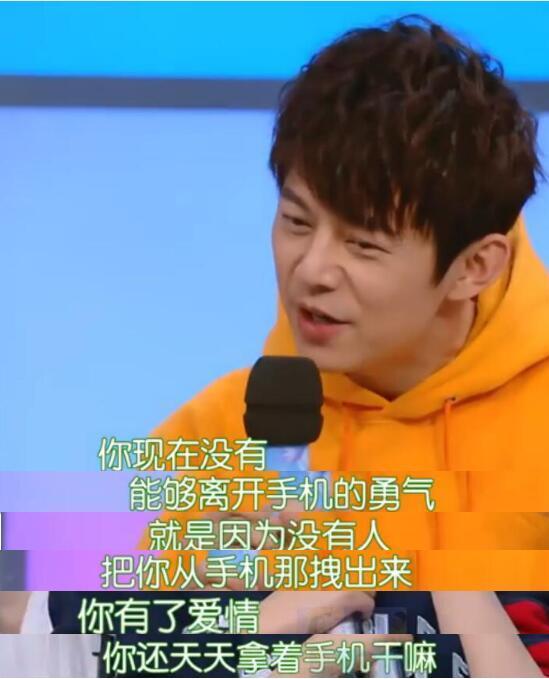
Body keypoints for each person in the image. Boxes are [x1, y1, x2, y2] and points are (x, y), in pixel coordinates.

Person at [142, 13, 547, 678]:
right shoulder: (218, 433)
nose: (311, 270)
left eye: (363, 244)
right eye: (296, 221)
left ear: (474, 266)